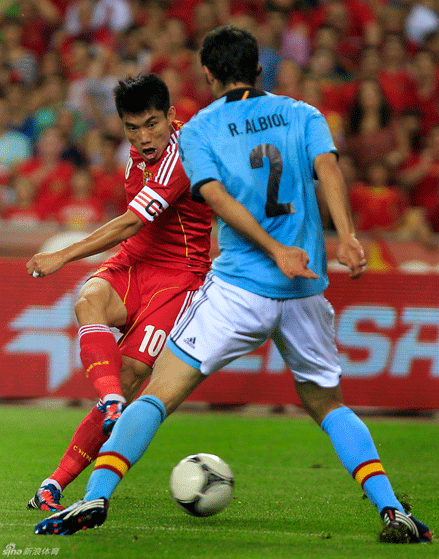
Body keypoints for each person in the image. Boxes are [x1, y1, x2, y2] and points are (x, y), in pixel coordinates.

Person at [34, 26, 432, 544]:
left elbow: (217, 199)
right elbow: (329, 169)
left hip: (238, 287)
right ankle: (389, 509)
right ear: (259, 68)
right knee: (328, 404)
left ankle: (96, 495)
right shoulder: (303, 114)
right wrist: (348, 237)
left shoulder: (201, 129)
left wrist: (272, 250)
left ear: (208, 74)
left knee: (158, 394)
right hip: (305, 290)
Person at [26, 73, 212, 511]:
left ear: (170, 116)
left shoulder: (183, 153)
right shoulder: (137, 153)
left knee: (130, 376)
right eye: (133, 128)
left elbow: (131, 220)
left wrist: (62, 255)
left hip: (177, 277)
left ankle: (58, 480)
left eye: (151, 124)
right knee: (87, 301)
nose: (144, 137)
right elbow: (134, 232)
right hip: (135, 261)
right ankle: (108, 405)